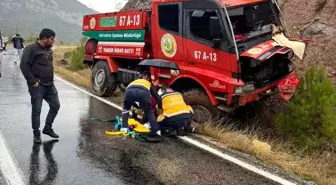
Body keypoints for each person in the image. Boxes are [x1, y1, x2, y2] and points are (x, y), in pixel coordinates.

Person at [20, 28, 60, 144]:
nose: (54, 40)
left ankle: (47, 128)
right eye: (52, 39)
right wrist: (33, 81)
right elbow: (24, 66)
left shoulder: (48, 49)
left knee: (55, 105)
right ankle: (36, 134)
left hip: (50, 85)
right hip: (37, 85)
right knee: (36, 110)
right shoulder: (31, 49)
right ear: (44, 39)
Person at [121, 71, 163, 138]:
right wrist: (160, 108)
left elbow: (132, 94)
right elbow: (158, 98)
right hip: (143, 93)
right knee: (149, 111)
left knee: (125, 109)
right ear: (148, 78)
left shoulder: (135, 81)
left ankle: (124, 128)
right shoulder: (148, 83)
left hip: (129, 91)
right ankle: (156, 130)